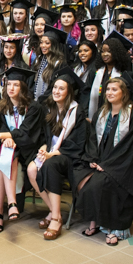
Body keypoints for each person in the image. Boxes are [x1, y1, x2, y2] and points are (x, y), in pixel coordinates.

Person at [74, 77, 133, 246]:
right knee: (81, 179)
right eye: (108, 89)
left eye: (115, 89)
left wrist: (107, 166)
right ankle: (95, 220)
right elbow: (92, 139)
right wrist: (92, 159)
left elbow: (131, 149)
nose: (110, 93)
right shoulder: (101, 113)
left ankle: (115, 228)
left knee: (103, 184)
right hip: (99, 161)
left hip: (122, 166)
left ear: (124, 93)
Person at [27, 67, 87, 240]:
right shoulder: (50, 109)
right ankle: (55, 211)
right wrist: (44, 147)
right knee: (31, 169)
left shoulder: (77, 112)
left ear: (69, 92)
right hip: (51, 152)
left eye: (61, 88)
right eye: (55, 88)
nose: (56, 91)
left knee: (51, 165)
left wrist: (53, 154)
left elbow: (78, 142)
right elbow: (46, 136)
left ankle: (55, 218)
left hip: (69, 156)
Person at [0, 67, 44, 233]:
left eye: (16, 85)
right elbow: (1, 128)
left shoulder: (34, 107)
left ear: (23, 87)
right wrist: (8, 138)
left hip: (27, 149)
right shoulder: (2, 106)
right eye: (8, 84)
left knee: (4, 157)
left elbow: (27, 133)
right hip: (8, 147)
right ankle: (6, 206)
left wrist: (4, 136)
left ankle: (0, 211)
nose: (11, 88)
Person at [85, 32, 133, 121]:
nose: (105, 54)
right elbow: (86, 93)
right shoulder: (96, 72)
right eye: (103, 51)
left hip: (116, 119)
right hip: (94, 117)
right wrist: (86, 113)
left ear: (116, 53)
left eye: (109, 51)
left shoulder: (125, 74)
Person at [30, 25, 67, 101]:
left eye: (47, 43)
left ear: (54, 45)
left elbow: (54, 86)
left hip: (49, 102)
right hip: (34, 101)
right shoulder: (39, 60)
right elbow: (31, 81)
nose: (43, 46)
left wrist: (42, 100)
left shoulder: (59, 63)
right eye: (41, 42)